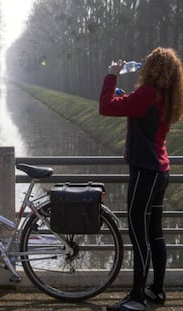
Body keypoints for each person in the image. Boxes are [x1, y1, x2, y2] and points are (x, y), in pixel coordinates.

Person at [99, 47, 183, 311]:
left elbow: (105, 107)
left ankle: (136, 298)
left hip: (144, 172)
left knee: (138, 235)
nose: (143, 62)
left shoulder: (147, 94)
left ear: (154, 68)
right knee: (155, 234)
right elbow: (139, 110)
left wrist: (111, 76)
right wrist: (128, 99)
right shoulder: (164, 96)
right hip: (161, 171)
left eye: (148, 60)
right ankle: (157, 291)